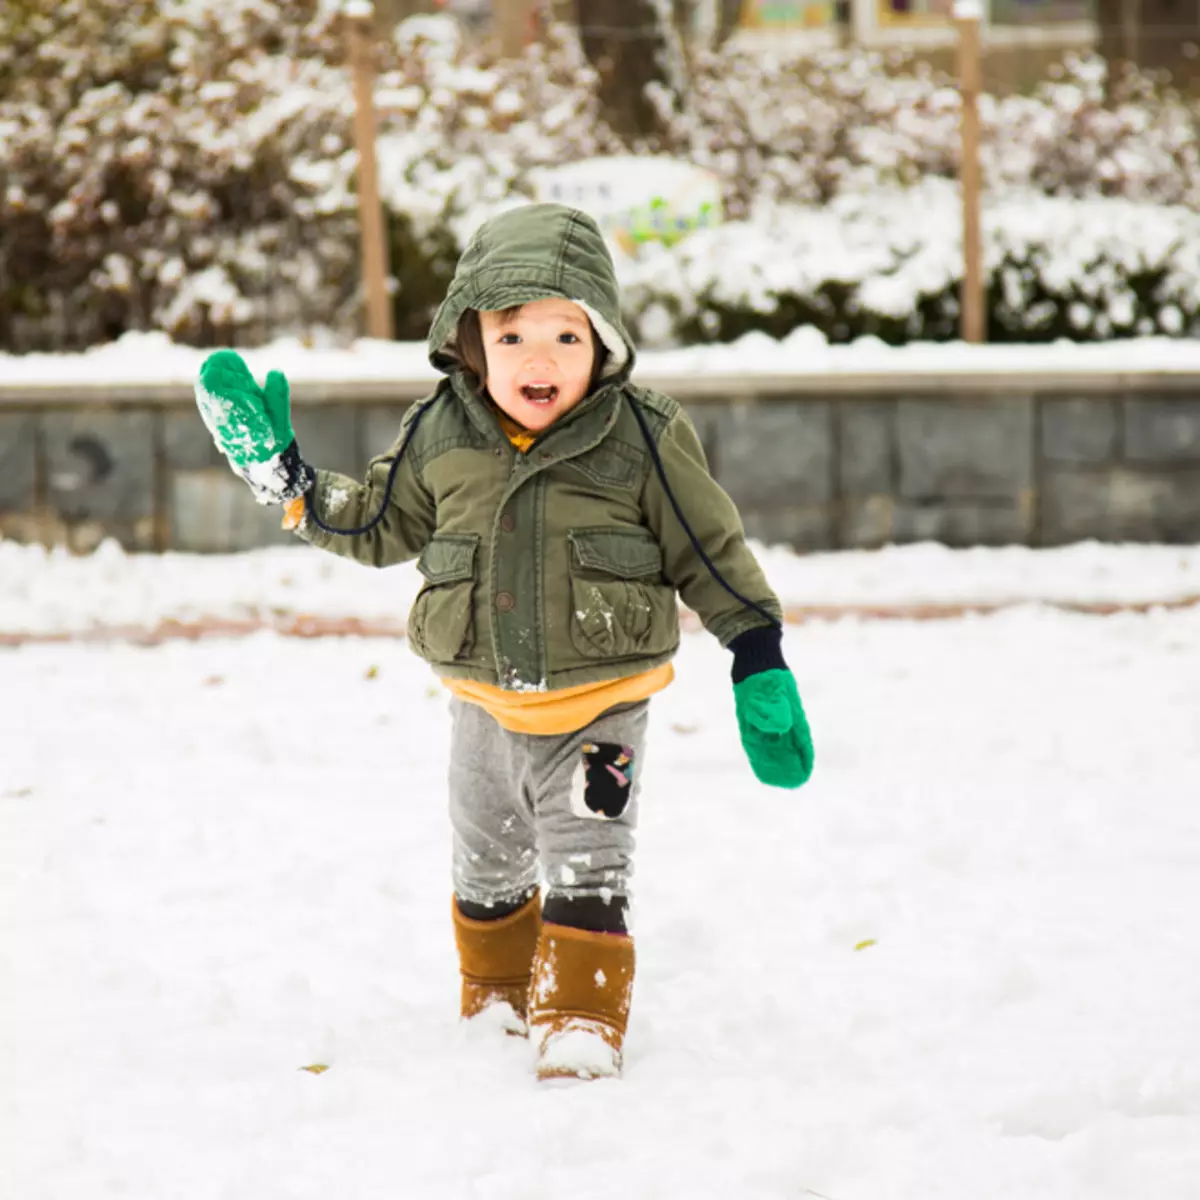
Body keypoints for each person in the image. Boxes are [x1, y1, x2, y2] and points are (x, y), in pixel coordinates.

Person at [194, 202, 814, 1082]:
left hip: (600, 710)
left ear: (603, 343)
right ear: (470, 339)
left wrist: (757, 656)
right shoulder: (439, 432)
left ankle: (583, 1016)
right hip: (481, 707)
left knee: (589, 860)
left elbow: (710, 550)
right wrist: (289, 483)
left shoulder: (640, 434)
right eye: (515, 332)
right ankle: (495, 1000)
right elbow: (374, 522)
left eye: (569, 336)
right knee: (485, 862)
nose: (541, 358)